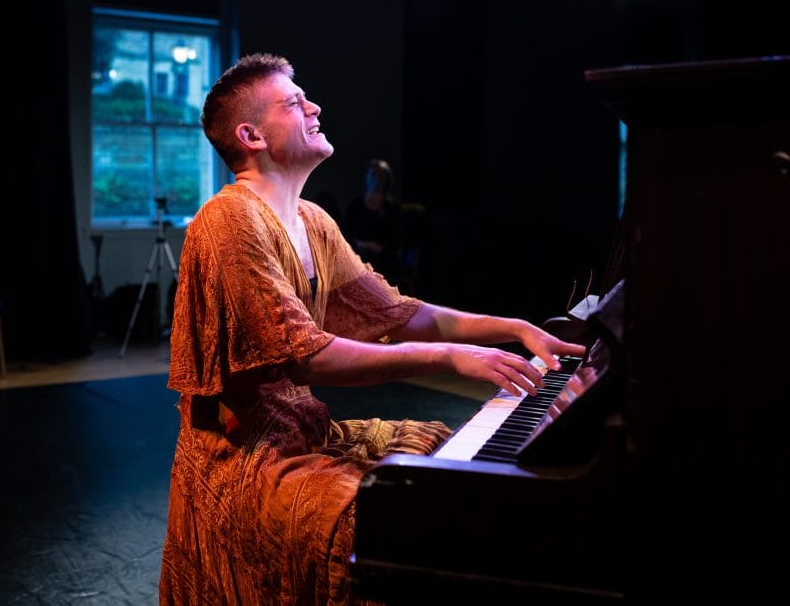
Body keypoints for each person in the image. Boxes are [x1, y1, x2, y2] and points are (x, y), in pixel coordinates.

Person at [158, 53, 586, 605]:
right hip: (247, 462)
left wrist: (514, 327)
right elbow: (307, 357)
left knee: (440, 454)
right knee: (390, 519)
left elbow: (399, 312)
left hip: (303, 435)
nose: (313, 107)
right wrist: (449, 358)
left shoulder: (312, 220)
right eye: (294, 102)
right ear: (251, 134)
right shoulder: (228, 220)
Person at [342, 158, 401, 279]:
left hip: (383, 260)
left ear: (386, 180)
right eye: (373, 174)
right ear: (367, 177)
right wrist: (361, 244)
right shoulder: (356, 204)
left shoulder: (392, 208)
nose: (376, 178)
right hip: (358, 257)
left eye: (380, 175)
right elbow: (345, 233)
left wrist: (380, 248)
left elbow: (397, 238)